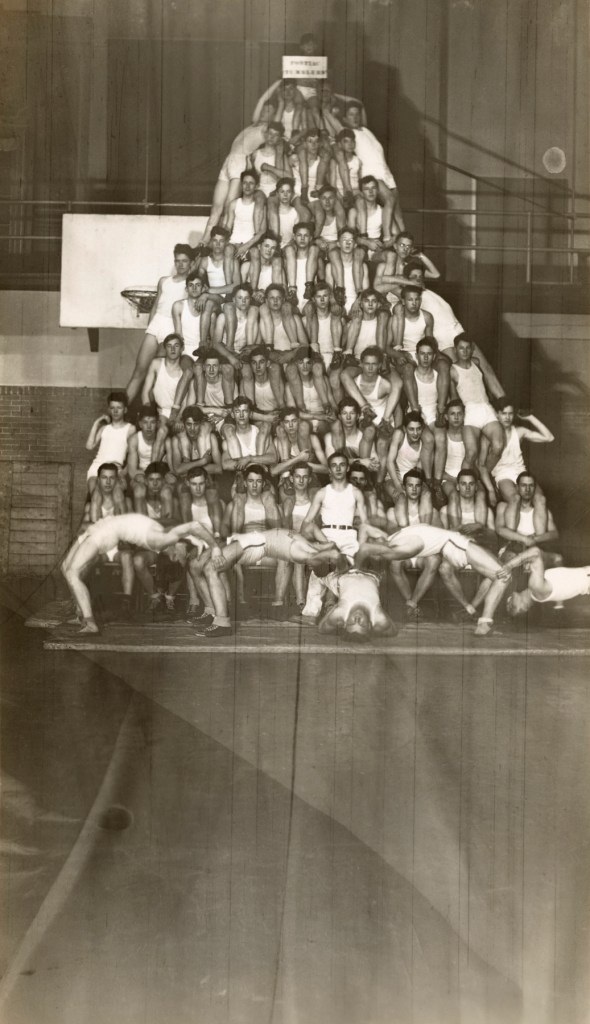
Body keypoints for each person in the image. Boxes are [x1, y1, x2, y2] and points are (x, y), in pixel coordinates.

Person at [60, 514, 212, 634]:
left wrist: (214, 547)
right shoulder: (165, 536)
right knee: (65, 567)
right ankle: (80, 613)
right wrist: (195, 539)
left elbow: (194, 526)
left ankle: (90, 622)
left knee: (72, 573)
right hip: (99, 528)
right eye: (183, 554)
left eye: (180, 557)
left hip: (105, 532)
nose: (182, 556)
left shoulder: (160, 541)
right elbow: (184, 529)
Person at [355, 522, 511, 635]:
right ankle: (484, 624)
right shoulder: (402, 549)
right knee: (503, 576)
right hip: (456, 545)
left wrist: (365, 548)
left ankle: (483, 621)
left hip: (454, 544)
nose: (377, 538)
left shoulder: (394, 537)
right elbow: (364, 548)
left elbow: (364, 527)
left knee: (497, 575)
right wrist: (356, 570)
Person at [449, 334, 505, 500]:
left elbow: (486, 387)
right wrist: (457, 418)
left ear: (472, 349)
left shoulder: (477, 363)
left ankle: (483, 473)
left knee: (498, 445)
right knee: (471, 453)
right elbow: (453, 398)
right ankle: (462, 488)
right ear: (455, 350)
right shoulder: (452, 370)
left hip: (486, 408)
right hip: (470, 411)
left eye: (468, 348)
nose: (465, 351)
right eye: (461, 348)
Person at [438, 468, 497, 621]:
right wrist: (456, 529)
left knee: (496, 573)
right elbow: (440, 537)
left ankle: (473, 607)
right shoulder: (445, 510)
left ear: (476, 487)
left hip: (478, 551)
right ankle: (466, 606)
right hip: (456, 552)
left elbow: (494, 537)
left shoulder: (486, 512)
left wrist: (481, 527)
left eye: (471, 484)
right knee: (444, 569)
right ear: (457, 486)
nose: (468, 488)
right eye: (463, 484)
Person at [386, 469, 440, 620]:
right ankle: (413, 604)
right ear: (404, 487)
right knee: (394, 563)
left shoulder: (432, 512)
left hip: (423, 554)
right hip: (405, 554)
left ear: (422, 487)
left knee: (435, 559)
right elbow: (392, 537)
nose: (414, 489)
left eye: (417, 486)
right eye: (410, 485)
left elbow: (437, 535)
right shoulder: (393, 511)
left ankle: (411, 604)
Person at [482, 400, 554, 503]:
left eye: (510, 414)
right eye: (504, 413)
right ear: (497, 414)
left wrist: (529, 417)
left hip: (521, 472)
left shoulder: (519, 432)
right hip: (502, 475)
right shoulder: (489, 435)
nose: (507, 417)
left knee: (541, 499)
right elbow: (482, 464)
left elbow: (549, 437)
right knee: (515, 499)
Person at [495, 472, 561, 565]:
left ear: (534, 488)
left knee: (558, 558)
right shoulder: (504, 507)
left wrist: (535, 539)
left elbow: (554, 533)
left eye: (531, 486)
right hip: (512, 549)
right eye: (523, 485)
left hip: (535, 549)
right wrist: (524, 539)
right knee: (511, 557)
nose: (527, 489)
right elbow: (499, 530)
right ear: (517, 488)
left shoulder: (541, 511)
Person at [504, 547, 590, 616]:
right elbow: (536, 552)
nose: (508, 602)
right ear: (523, 607)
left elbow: (557, 558)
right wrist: (510, 565)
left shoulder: (540, 591)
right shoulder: (536, 587)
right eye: (511, 606)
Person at [85, 391, 135, 495]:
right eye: (112, 408)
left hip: (115, 469)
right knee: (95, 496)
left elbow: (133, 454)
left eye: (119, 408)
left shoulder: (130, 429)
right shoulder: (104, 428)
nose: (115, 411)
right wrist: (96, 423)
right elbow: (89, 446)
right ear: (109, 410)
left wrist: (123, 472)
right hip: (97, 467)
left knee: (117, 499)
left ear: (125, 410)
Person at [223, 168, 267, 263]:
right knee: (229, 253)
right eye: (245, 183)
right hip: (234, 243)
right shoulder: (234, 204)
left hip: (250, 245)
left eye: (251, 183)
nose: (247, 186)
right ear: (241, 185)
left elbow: (262, 231)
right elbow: (228, 227)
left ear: (256, 186)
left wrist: (246, 246)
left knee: (255, 254)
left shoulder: (260, 207)